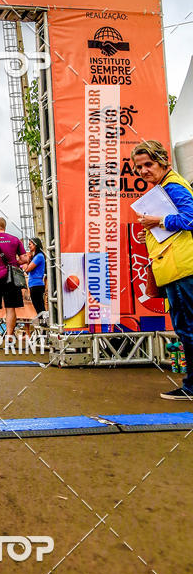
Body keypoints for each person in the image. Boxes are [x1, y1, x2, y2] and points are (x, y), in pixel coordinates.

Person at [132, 140, 193, 400]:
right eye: (139, 167)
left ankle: (191, 387)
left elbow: (190, 218)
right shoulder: (166, 186)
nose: (144, 170)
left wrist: (159, 220)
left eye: (149, 164)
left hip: (182, 269)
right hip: (176, 267)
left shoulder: (172, 185)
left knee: (187, 327)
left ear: (163, 161)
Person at [24, 237, 46, 320]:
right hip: (34, 284)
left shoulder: (39, 256)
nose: (29, 246)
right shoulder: (36, 256)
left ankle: (44, 325)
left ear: (35, 245)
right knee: (38, 308)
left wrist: (26, 262)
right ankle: (43, 325)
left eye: (30, 244)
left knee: (40, 307)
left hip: (37, 284)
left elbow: (27, 269)